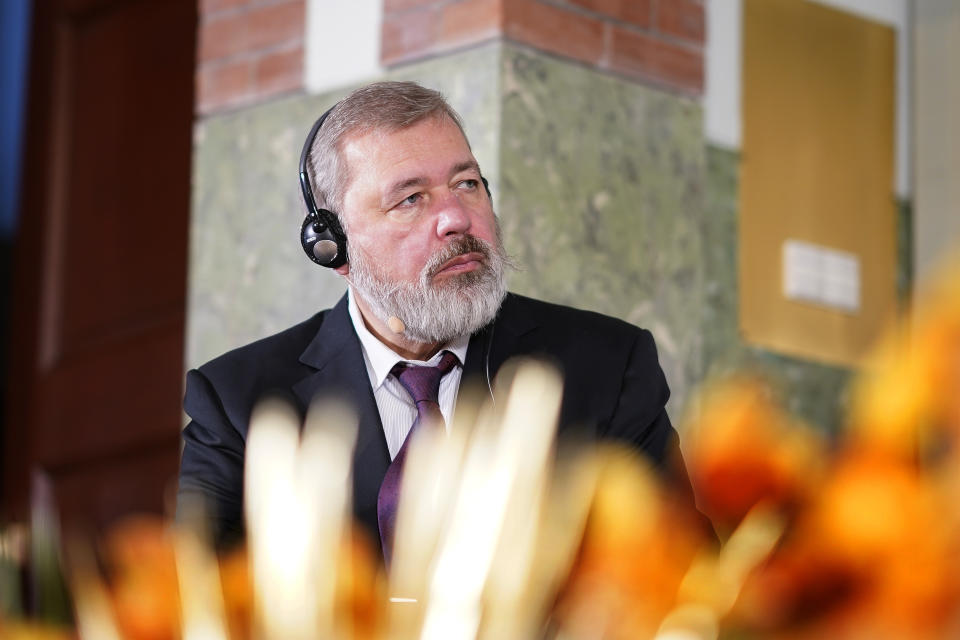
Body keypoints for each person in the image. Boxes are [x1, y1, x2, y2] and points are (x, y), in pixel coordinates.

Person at [177, 81, 699, 558]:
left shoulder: (606, 365)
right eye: (410, 199)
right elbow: (196, 603)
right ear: (332, 245)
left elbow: (681, 574)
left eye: (467, 183)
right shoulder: (238, 402)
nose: (456, 218)